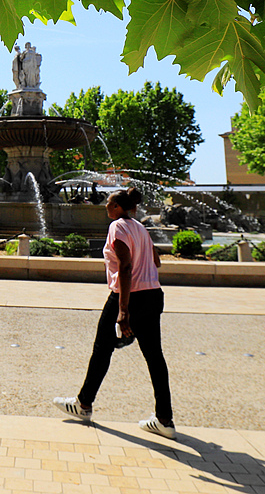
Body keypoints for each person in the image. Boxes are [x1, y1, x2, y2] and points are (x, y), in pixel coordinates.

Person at [53, 187, 175, 438]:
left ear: (118, 207)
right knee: (155, 357)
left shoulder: (118, 226)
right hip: (153, 293)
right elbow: (157, 261)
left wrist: (123, 310)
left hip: (129, 296)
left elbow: (126, 267)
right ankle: (165, 419)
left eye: (108, 203)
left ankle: (83, 404)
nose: (105, 207)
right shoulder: (141, 228)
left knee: (102, 348)